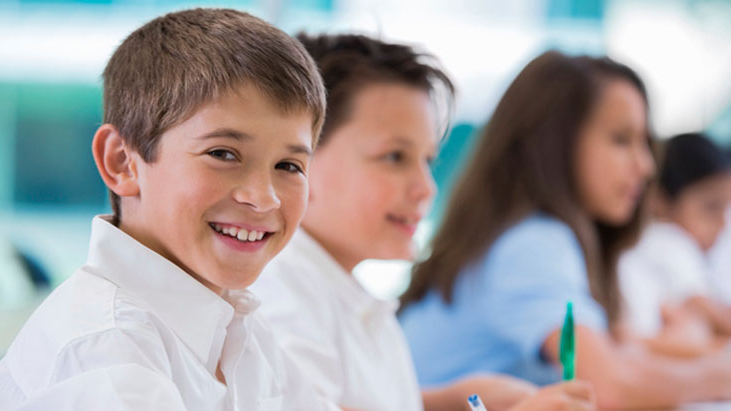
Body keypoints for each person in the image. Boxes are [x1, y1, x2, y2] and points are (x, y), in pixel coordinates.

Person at [0, 8, 337, 410]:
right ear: (122, 162)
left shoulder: (240, 327)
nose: (264, 197)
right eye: (222, 153)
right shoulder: (107, 352)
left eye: (289, 166)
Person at [252, 35, 595, 411]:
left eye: (428, 160)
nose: (426, 188)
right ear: (301, 160)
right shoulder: (278, 293)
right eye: (394, 157)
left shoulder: (339, 291)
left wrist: (452, 401)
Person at [398, 50, 731, 409]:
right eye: (622, 139)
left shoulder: (526, 236)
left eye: (645, 144)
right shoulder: (534, 242)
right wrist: (717, 374)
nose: (646, 166)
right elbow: (608, 388)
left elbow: (616, 359)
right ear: (555, 143)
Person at [618, 132, 731, 356]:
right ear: (660, 202)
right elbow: (704, 307)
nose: (722, 222)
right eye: (711, 207)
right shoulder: (667, 239)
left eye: (725, 207)